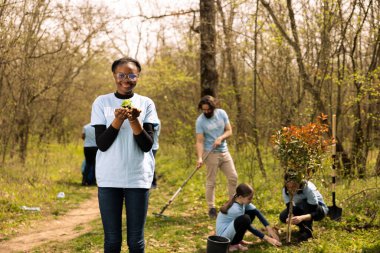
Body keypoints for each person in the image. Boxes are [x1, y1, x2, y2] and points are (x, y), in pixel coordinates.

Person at [91, 57, 159, 253]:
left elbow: (146, 146)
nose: (126, 80)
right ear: (114, 75)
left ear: (137, 77)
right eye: (121, 75)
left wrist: (134, 121)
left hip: (138, 178)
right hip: (109, 178)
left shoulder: (146, 103)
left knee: (135, 241)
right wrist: (118, 120)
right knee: (112, 240)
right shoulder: (101, 102)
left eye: (131, 75)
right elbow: (102, 144)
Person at [195, 95, 238, 218]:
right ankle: (211, 208)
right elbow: (199, 141)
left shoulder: (222, 114)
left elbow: (229, 131)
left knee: (233, 177)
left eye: (208, 109)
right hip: (210, 153)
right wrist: (199, 157)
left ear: (213, 107)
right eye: (203, 110)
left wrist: (221, 137)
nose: (206, 112)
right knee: (211, 181)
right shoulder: (200, 121)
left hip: (224, 151)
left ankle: (232, 204)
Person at [216, 183, 282, 252]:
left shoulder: (239, 200)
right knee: (245, 219)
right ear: (241, 197)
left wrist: (269, 229)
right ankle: (233, 244)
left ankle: (236, 241)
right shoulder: (236, 209)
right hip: (222, 239)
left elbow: (256, 212)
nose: (251, 200)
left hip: (228, 231)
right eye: (249, 198)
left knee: (251, 213)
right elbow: (248, 226)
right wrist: (267, 238)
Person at [279, 170, 328, 242]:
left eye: (294, 186)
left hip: (318, 210)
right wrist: (290, 217)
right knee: (283, 216)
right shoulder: (285, 191)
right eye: (289, 187)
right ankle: (302, 228)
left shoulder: (308, 188)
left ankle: (308, 232)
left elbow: (314, 211)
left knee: (304, 203)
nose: (292, 189)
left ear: (299, 183)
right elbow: (290, 207)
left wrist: (302, 218)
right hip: (301, 208)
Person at [151, 119, 160, 188]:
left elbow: (151, 130)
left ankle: (154, 183)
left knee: (151, 164)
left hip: (153, 147)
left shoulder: (155, 121)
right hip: (151, 146)